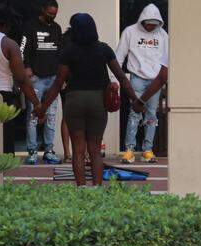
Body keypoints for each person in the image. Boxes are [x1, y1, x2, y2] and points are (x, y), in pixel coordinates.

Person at [38, 14, 142, 187]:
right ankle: (97, 189)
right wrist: (135, 100)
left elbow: (57, 84)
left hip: (75, 100)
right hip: (97, 101)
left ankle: (81, 190)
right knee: (94, 150)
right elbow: (122, 78)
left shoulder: (69, 52)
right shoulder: (104, 49)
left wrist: (42, 108)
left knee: (78, 150)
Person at [116, 4, 169, 164]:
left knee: (151, 115)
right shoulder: (130, 32)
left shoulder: (163, 35)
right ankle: (129, 150)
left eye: (154, 24)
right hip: (136, 78)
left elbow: (167, 61)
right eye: (148, 23)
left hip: (156, 81)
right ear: (142, 20)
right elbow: (119, 56)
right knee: (134, 113)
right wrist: (114, 80)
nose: (151, 26)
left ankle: (147, 150)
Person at [20, 0, 63, 165]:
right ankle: (32, 151)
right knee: (33, 114)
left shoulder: (57, 28)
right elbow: (22, 48)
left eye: (55, 14)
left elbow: (61, 52)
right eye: (50, 13)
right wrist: (26, 67)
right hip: (36, 78)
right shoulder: (30, 26)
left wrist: (61, 76)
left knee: (51, 115)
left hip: (53, 78)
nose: (52, 16)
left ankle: (49, 150)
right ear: (43, 10)